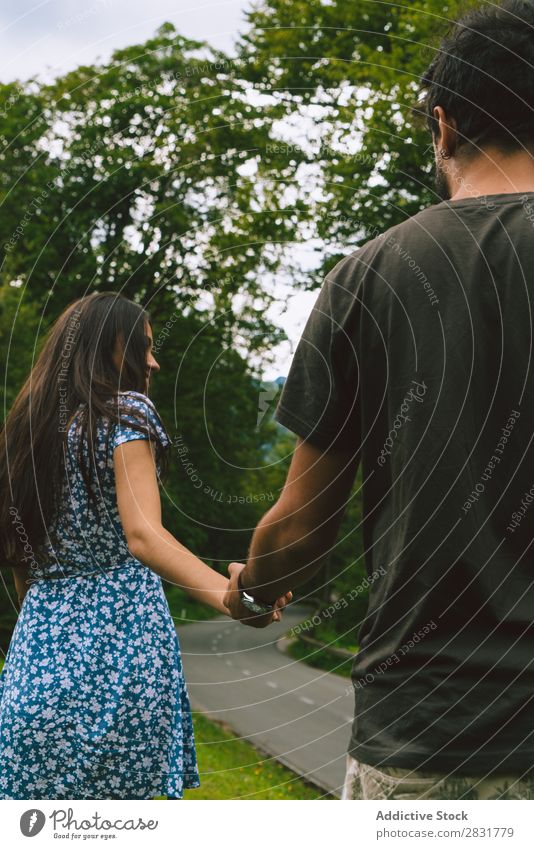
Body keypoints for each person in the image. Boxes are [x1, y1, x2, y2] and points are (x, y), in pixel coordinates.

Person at [224, 0, 534, 800]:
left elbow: (301, 529)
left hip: (427, 740)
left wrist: (253, 589)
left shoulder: (369, 276)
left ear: (443, 125)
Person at [0, 291, 289, 800]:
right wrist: (233, 597)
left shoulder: (26, 434)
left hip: (31, 677)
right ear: (111, 348)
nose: (152, 363)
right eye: (145, 348)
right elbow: (143, 536)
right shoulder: (124, 413)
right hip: (119, 672)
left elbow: (21, 563)